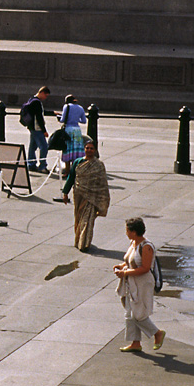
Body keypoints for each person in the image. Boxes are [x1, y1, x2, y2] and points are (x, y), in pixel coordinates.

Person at [114, 218, 165, 352]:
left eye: (127, 230)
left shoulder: (146, 246)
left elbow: (145, 268)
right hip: (132, 281)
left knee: (138, 313)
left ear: (134, 232)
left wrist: (125, 273)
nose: (126, 233)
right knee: (130, 312)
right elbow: (131, 261)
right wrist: (122, 266)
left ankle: (157, 333)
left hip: (143, 283)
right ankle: (135, 343)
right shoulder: (133, 243)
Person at [60, 138, 109, 251]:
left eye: (91, 148)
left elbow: (102, 183)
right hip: (79, 195)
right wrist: (65, 193)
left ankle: (84, 243)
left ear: (95, 150)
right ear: (84, 149)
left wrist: (102, 198)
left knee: (88, 219)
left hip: (92, 198)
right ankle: (78, 240)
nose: (89, 150)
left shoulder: (99, 165)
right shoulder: (78, 162)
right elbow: (71, 177)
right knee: (78, 218)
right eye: (87, 148)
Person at [21, 86, 51, 173]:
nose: (46, 98)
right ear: (42, 93)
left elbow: (40, 112)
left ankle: (31, 164)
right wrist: (44, 130)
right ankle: (42, 166)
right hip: (37, 128)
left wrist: (52, 112)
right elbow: (39, 117)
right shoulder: (37, 103)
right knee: (44, 146)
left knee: (32, 146)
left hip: (31, 127)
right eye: (46, 95)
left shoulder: (32, 99)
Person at [59, 95, 87, 168]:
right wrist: (77, 119)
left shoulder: (67, 106)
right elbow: (84, 121)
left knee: (68, 149)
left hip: (68, 129)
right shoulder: (80, 108)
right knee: (76, 150)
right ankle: (75, 168)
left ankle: (68, 170)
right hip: (77, 130)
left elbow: (62, 119)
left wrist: (59, 117)